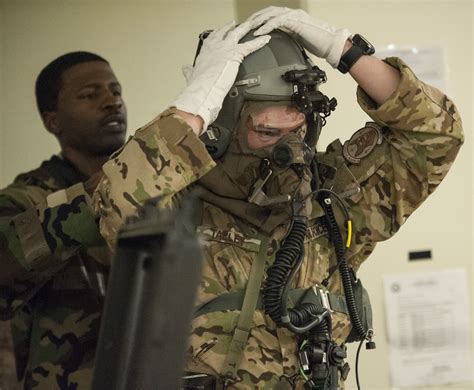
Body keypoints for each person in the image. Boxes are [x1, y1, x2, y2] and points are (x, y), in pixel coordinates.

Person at [92, 7, 463, 390]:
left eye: (299, 130)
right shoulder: (177, 210)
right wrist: (197, 104)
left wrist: (347, 51)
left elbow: (436, 133)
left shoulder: (334, 200)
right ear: (221, 128)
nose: (290, 150)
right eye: (267, 132)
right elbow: (118, 196)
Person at [0, 51, 127, 389]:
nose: (112, 102)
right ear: (52, 121)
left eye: (116, 91)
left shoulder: (150, 194)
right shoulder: (24, 200)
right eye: (90, 94)